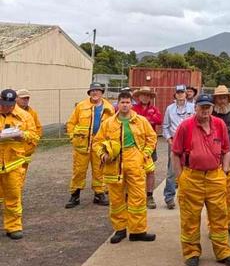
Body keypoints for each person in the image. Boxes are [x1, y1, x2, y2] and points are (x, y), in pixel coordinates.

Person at [172, 94, 230, 266]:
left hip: (215, 177)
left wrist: (224, 171)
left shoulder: (219, 124)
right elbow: (176, 153)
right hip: (192, 177)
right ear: (196, 108)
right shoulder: (185, 126)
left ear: (212, 108)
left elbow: (226, 149)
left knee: (220, 217)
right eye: (202, 107)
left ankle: (223, 252)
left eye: (208, 107)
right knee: (190, 218)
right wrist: (180, 177)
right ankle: (191, 253)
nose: (205, 110)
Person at [94, 91, 157, 244]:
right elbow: (97, 143)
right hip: (115, 163)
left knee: (138, 198)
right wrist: (104, 155)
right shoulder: (108, 123)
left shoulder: (141, 121)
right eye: (122, 102)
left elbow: (152, 137)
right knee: (116, 198)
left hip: (135, 161)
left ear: (131, 103)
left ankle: (138, 231)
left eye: (128, 102)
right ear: (118, 104)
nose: (125, 105)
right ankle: (120, 230)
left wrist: (145, 153)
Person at [65, 82, 114, 208]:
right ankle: (74, 195)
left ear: (102, 93)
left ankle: (99, 194)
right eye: (92, 91)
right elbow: (71, 123)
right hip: (82, 145)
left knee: (99, 170)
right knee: (79, 170)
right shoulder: (81, 106)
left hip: (100, 144)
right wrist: (72, 137)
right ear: (89, 93)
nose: (95, 93)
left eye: (97, 90)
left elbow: (113, 126)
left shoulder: (109, 108)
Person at [0, 89, 39, 239]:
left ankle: (14, 227)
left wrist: (22, 135)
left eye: (10, 105)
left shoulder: (25, 116)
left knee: (13, 196)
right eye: (3, 104)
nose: (7, 108)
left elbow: (34, 137)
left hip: (14, 163)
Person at [212, 85, 230, 231]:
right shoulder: (208, 114)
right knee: (214, 198)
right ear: (215, 99)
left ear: (228, 99)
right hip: (212, 162)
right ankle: (215, 226)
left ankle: (229, 223)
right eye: (219, 97)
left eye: (224, 97)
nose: (222, 100)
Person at [162, 85, 195, 209]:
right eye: (178, 92)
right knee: (172, 170)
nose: (180, 95)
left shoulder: (193, 107)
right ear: (175, 94)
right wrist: (169, 139)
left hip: (190, 142)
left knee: (189, 169)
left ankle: (188, 196)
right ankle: (169, 197)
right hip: (174, 142)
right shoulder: (169, 109)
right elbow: (165, 126)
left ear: (186, 94)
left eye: (183, 92)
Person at [132, 86, 162, 209]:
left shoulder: (155, 109)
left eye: (147, 95)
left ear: (150, 97)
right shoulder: (133, 109)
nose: (145, 97)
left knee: (150, 171)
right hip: (134, 145)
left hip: (150, 145)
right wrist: (149, 120)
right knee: (134, 171)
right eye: (143, 94)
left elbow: (159, 120)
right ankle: (136, 196)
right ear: (139, 96)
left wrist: (142, 120)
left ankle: (149, 196)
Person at [15, 89, 42, 181]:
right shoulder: (10, 111)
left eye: (27, 98)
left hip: (27, 149)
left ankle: (19, 193)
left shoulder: (32, 112)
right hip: (13, 149)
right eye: (23, 98)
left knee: (22, 174)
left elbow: (38, 128)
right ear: (16, 99)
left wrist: (34, 142)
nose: (25, 100)